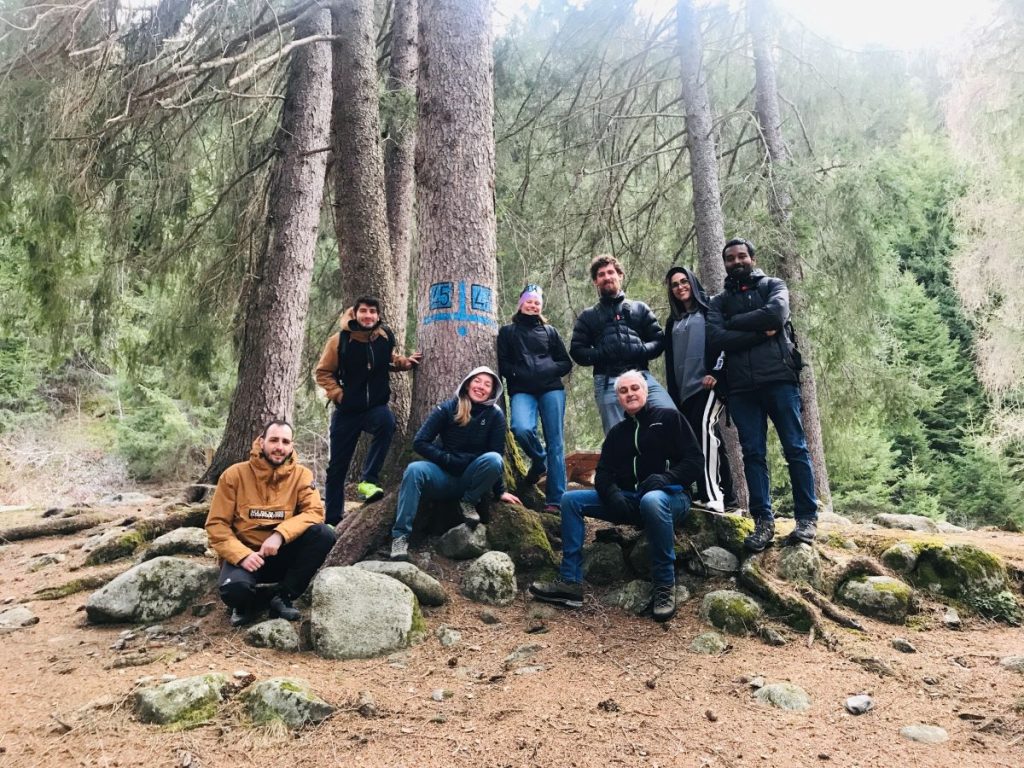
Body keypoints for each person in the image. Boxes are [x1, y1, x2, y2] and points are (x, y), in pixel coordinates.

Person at [529, 370, 702, 622]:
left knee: (652, 500)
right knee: (569, 500)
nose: (630, 394)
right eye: (623, 391)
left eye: (634, 388)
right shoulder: (617, 433)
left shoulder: (670, 419)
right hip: (629, 501)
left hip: (669, 499)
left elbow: (695, 461)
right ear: (618, 398)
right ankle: (570, 582)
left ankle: (664, 585)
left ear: (645, 391)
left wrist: (666, 479)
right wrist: (612, 494)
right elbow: (603, 474)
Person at [706, 238, 818, 552]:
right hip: (741, 388)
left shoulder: (773, 285)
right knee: (753, 455)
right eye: (731, 258)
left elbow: (776, 315)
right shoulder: (718, 302)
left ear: (752, 259)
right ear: (725, 263)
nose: (737, 261)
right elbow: (716, 337)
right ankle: (763, 522)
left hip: (779, 379)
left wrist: (735, 326)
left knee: (795, 448)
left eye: (742, 256)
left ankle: (807, 518)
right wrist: (756, 331)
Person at [205, 420, 336, 627]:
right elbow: (216, 525)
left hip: (281, 554)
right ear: (261, 442)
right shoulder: (233, 475)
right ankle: (247, 602)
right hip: (246, 558)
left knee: (324, 534)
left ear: (291, 446)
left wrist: (279, 535)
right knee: (234, 591)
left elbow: (314, 512)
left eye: (285, 441)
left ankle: (283, 595)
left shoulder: (302, 475)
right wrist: (242, 555)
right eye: (274, 440)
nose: (279, 447)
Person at [390, 366, 522, 560]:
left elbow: (497, 455)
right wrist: (447, 458)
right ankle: (400, 538)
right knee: (414, 470)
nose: (481, 387)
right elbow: (420, 442)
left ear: (492, 392)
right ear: (468, 384)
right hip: (442, 476)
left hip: (471, 481)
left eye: (487, 384)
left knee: (493, 459)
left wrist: (500, 491)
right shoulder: (448, 407)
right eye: (477, 381)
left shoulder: (495, 415)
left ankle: (468, 502)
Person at [314, 296, 421, 525]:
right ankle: (333, 520)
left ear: (378, 316)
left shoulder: (384, 337)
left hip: (375, 408)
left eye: (372, 311)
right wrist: (339, 395)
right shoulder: (339, 341)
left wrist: (404, 362)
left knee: (387, 422)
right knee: (337, 469)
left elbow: (385, 360)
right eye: (364, 311)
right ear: (355, 313)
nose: (368, 315)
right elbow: (323, 372)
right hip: (347, 412)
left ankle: (369, 480)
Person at [570, 254, 675, 434]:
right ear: (596, 281)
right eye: (601, 274)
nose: (607, 277)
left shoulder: (639, 308)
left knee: (671, 417)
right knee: (617, 435)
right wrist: (602, 353)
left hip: (641, 375)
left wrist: (641, 349)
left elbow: (659, 341)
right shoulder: (588, 316)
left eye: (611, 272)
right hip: (607, 379)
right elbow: (577, 351)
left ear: (620, 275)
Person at [663, 266, 735, 513]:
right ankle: (730, 495)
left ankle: (712, 497)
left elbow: (725, 341)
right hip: (684, 393)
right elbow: (671, 363)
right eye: (675, 284)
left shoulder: (709, 308)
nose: (680, 286)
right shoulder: (673, 321)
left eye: (684, 281)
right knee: (704, 439)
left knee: (705, 432)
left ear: (692, 282)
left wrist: (716, 373)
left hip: (709, 386)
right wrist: (673, 396)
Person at [497, 284, 572, 512]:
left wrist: (548, 369)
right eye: (529, 301)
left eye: (537, 302)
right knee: (520, 428)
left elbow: (565, 362)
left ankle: (556, 501)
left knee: (556, 444)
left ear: (541, 306)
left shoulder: (550, 332)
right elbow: (503, 363)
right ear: (521, 304)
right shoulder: (507, 332)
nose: (533, 305)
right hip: (522, 390)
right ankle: (539, 461)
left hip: (551, 390)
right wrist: (519, 373)